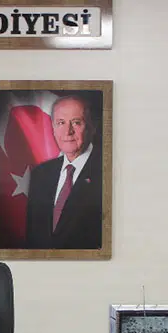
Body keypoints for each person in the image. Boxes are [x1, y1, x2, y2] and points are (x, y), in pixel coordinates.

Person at [20, 93, 104, 250]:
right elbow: (32, 239)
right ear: (53, 128)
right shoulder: (40, 174)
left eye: (76, 122)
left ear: (92, 126)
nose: (68, 131)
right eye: (61, 123)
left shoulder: (106, 172)